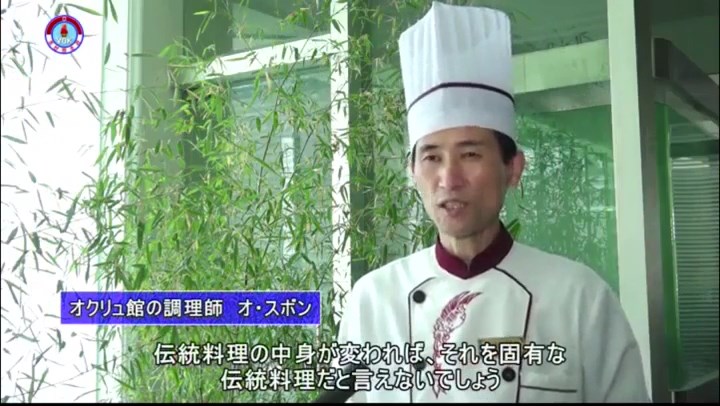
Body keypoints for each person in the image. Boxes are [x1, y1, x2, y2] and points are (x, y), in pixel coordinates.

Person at [331, 1, 651, 403]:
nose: (449, 179)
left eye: (470, 154)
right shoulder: (373, 300)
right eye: (431, 157)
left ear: (513, 169)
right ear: (412, 171)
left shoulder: (580, 298)